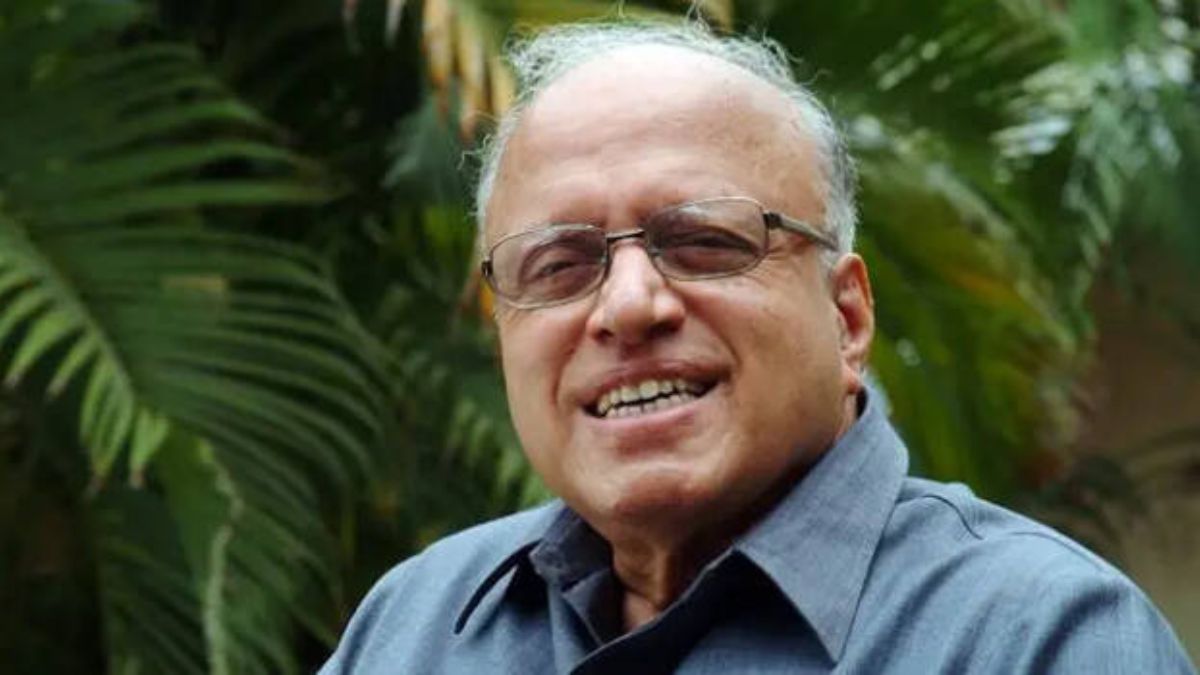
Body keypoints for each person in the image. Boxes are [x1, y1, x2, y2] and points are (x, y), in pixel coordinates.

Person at [321, 21, 1197, 674]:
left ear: (847, 318)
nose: (628, 305)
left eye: (703, 241)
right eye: (559, 264)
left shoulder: (1039, 639)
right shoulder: (416, 627)